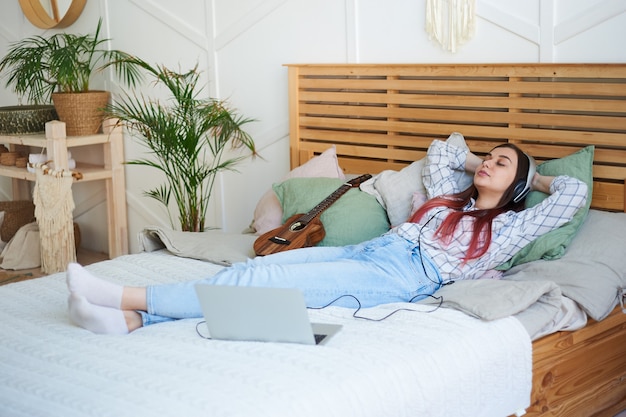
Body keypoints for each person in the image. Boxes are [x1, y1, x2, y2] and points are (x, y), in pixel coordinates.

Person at [67, 139, 588, 334]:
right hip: (375, 250)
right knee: (250, 269)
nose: (489, 165)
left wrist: (530, 178)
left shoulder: (512, 225)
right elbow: (444, 150)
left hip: (403, 275)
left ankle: (121, 295)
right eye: (491, 157)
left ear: (518, 184)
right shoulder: (452, 197)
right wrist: (485, 165)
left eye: (503, 164)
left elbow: (570, 194)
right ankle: (134, 320)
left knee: (267, 282)